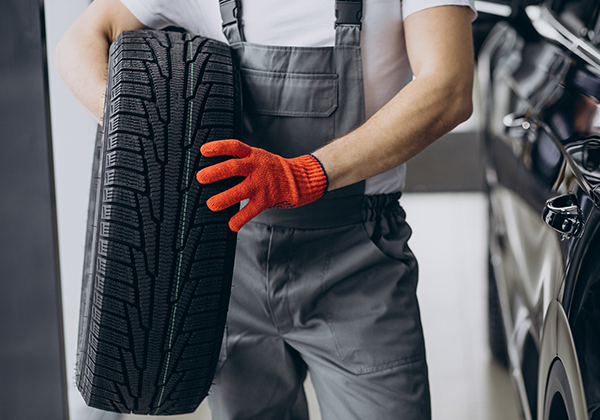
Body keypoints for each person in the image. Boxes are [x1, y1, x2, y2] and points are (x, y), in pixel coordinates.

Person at [55, 0, 476, 418]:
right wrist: (139, 131)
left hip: (357, 261)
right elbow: (81, 42)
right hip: (228, 267)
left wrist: (308, 173)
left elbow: (448, 86)